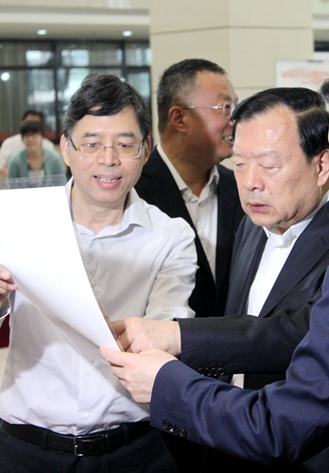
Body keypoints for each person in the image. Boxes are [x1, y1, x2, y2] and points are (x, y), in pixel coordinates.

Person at [100, 50, 329, 472]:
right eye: (239, 164)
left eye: (270, 165)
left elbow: (300, 336)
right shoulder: (250, 226)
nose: (251, 183)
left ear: (322, 165)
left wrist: (172, 359)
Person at [0, 73, 198, 473]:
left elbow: (167, 333)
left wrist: (123, 334)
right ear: (66, 149)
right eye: (91, 144)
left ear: (145, 150)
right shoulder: (17, 222)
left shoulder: (171, 236)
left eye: (124, 144)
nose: (108, 159)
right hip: (26, 448)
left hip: (135, 451)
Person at [135, 58, 244, 319]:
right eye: (225, 108)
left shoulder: (242, 188)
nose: (235, 120)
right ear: (179, 118)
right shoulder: (133, 191)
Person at [0, 109, 55, 177]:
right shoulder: (9, 143)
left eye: (35, 123)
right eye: (29, 122)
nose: (31, 126)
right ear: (22, 124)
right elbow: (0, 166)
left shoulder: (48, 146)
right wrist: (16, 176)